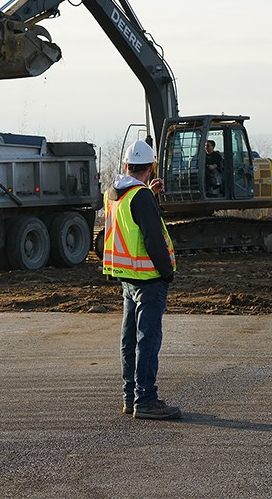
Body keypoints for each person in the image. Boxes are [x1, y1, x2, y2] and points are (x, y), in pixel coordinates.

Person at [103, 140, 181, 420]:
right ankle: (146, 399)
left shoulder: (113, 194)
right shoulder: (141, 197)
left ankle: (130, 396)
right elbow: (152, 239)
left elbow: (130, 224)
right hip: (148, 277)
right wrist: (167, 272)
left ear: (126, 166)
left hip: (126, 276)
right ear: (150, 168)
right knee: (148, 340)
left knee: (129, 339)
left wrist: (150, 194)